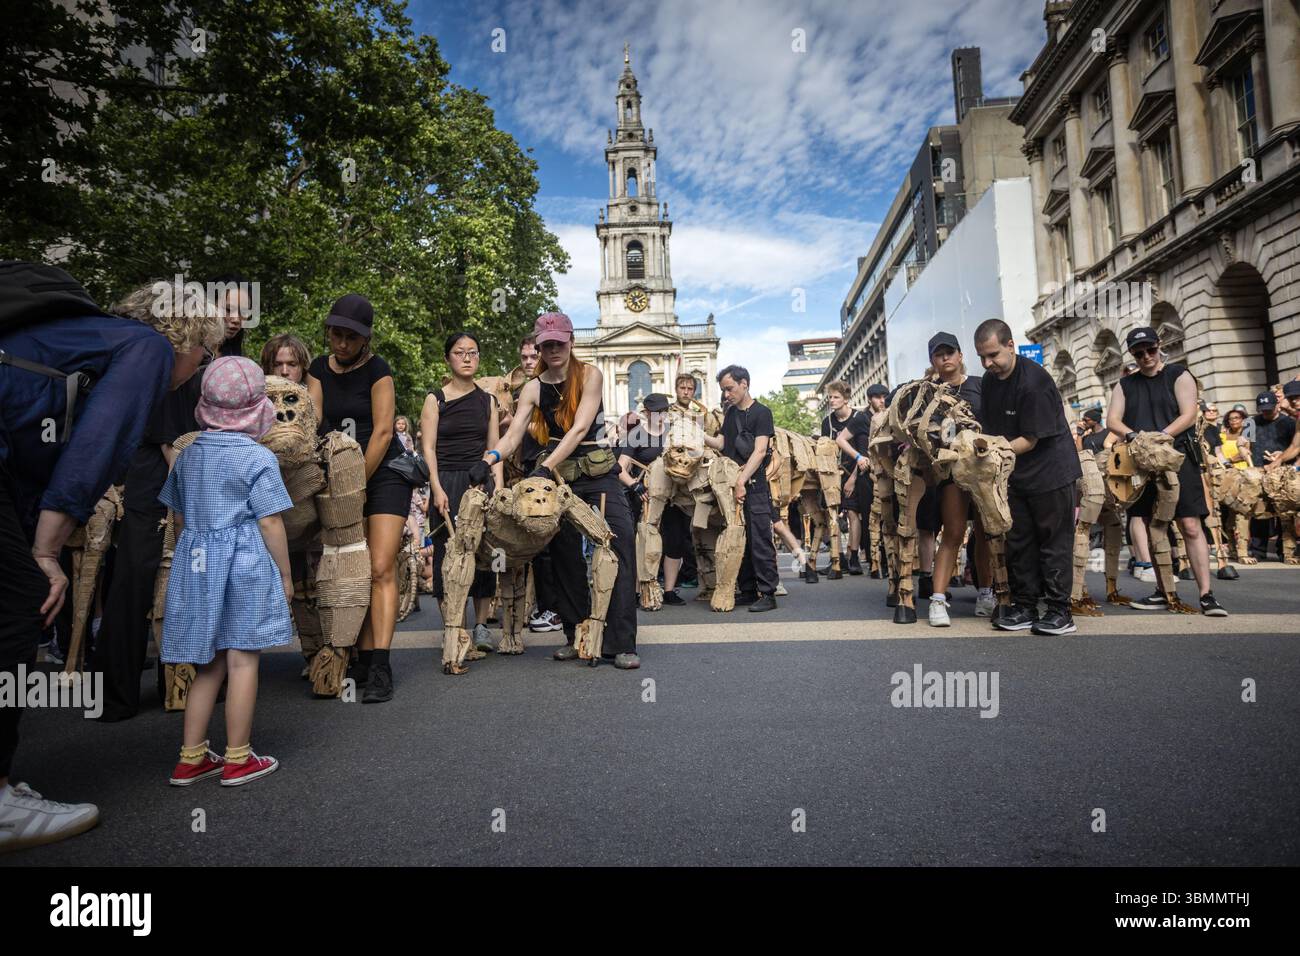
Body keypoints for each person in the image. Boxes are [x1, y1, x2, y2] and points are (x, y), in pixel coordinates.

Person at [0, 261, 220, 852]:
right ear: (187, 338)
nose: (197, 371)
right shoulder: (147, 349)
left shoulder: (89, 341)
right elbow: (100, 442)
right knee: (20, 607)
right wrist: (45, 553)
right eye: (203, 355)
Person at [470, 312, 640, 667]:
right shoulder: (533, 387)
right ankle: (576, 635)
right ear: (539, 347)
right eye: (546, 345)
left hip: (597, 473)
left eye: (559, 343)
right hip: (559, 478)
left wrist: (546, 466)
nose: (553, 350)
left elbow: (579, 430)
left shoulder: (590, 375)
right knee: (563, 558)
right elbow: (514, 433)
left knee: (618, 546)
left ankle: (620, 643)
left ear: (571, 342)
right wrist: (489, 459)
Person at [161, 357, 294, 787]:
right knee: (242, 660)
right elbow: (271, 522)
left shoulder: (186, 455)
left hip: (197, 562)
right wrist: (286, 577)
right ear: (258, 409)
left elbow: (179, 517)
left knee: (208, 664)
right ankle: (238, 758)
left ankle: (191, 757)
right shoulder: (258, 458)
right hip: (245, 564)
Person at [90, 285, 216, 722]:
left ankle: (126, 691)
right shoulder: (168, 368)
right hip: (158, 472)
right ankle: (130, 691)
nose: (205, 354)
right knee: (147, 575)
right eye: (201, 344)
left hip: (146, 470)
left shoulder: (145, 361)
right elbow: (172, 444)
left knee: (136, 574)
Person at [306, 294, 406, 702]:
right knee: (355, 569)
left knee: (381, 567)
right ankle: (361, 658)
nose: (342, 344)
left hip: (382, 474)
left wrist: (356, 485)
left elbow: (383, 432)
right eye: (336, 335)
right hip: (339, 476)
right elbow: (313, 424)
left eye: (351, 338)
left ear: (366, 339)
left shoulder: (379, 370)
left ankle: (381, 666)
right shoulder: (316, 370)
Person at [1106, 327, 1227, 616]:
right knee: (1153, 526)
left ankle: (1206, 594)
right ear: (1132, 355)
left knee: (1190, 525)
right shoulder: (1125, 384)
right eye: (1138, 352)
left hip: (1178, 457)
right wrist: (1135, 436)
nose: (1145, 356)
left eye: (1149, 349)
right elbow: (1113, 420)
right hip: (1142, 460)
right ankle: (1162, 590)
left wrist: (1161, 436)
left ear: (1159, 346)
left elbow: (1188, 414)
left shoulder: (1179, 374)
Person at [973, 319, 1082, 635]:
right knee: (1020, 542)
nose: (988, 363)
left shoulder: (1034, 382)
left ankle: (1060, 611)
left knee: (1053, 541)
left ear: (1010, 346)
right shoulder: (990, 383)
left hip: (1051, 472)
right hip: (1016, 474)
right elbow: (992, 430)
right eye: (982, 357)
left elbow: (1030, 439)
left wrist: (992, 452)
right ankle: (1025, 606)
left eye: (993, 354)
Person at [419, 332, 501, 661]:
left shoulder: (488, 401)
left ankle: (481, 625)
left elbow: (495, 450)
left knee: (483, 553)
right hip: (447, 482)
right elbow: (427, 448)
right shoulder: (435, 399)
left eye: (472, 353)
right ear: (448, 359)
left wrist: (498, 489)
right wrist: (436, 488)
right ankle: (453, 625)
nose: (467, 358)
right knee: (448, 555)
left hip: (480, 483)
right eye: (459, 352)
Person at [918, 333, 994, 626]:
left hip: (984, 467)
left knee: (986, 534)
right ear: (932, 361)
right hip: (950, 470)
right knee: (952, 532)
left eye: (950, 352)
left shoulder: (980, 384)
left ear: (961, 355)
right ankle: (937, 601)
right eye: (939, 354)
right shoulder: (928, 392)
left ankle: (986, 594)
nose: (945, 358)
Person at [703, 365, 780, 612]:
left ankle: (768, 592)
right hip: (734, 486)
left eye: (730, 388)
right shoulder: (730, 414)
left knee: (759, 539)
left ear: (744, 384)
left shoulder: (762, 412)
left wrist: (741, 482)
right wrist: (695, 434)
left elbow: (759, 451)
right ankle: (747, 590)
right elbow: (722, 443)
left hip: (754, 485)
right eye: (724, 390)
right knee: (739, 539)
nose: (726, 394)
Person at [618, 393, 691, 607]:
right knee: (644, 542)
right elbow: (620, 468)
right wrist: (634, 484)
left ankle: (669, 590)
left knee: (675, 541)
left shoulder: (672, 434)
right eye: (657, 412)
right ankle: (638, 590)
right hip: (645, 496)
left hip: (674, 496)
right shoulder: (636, 435)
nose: (661, 416)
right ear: (647, 413)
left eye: (664, 412)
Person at [821, 381, 864, 576]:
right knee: (830, 515)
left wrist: (852, 478)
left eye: (836, 397)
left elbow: (865, 452)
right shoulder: (827, 422)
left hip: (855, 471)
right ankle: (837, 557)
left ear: (846, 399)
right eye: (830, 397)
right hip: (833, 472)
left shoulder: (858, 418)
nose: (832, 400)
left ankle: (854, 556)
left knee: (853, 513)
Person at [1247, 390, 1296, 559]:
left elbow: (1295, 447)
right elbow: (1243, 444)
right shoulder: (1251, 422)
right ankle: (1258, 549)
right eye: (1263, 409)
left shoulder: (1289, 423)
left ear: (1277, 405)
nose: (1266, 412)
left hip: (1283, 473)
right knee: (1259, 510)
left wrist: (1280, 456)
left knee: (1284, 513)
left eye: (1270, 408)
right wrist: (1243, 446)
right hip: (1260, 471)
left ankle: (1285, 550)